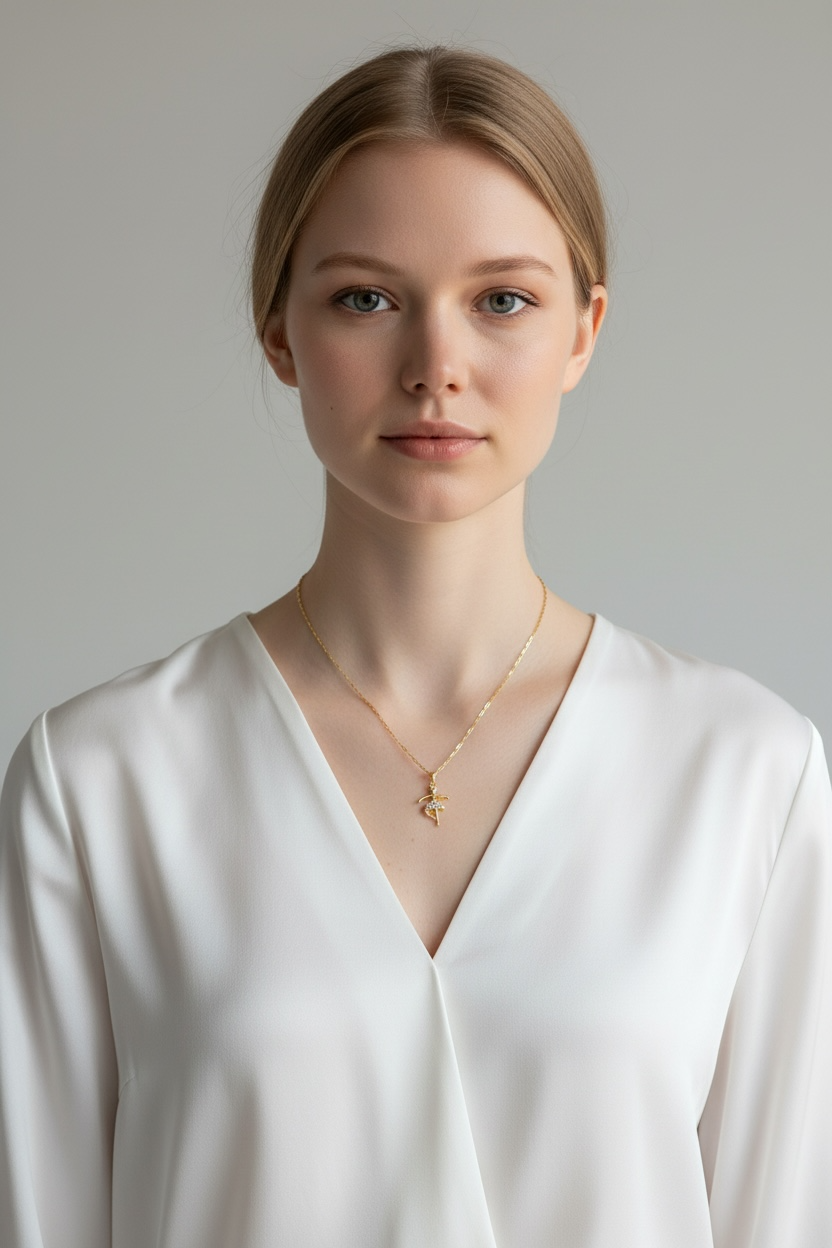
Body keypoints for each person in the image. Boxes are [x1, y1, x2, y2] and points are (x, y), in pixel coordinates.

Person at [1, 44, 830, 1248]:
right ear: (278, 332)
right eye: (365, 297)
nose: (435, 366)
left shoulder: (745, 775)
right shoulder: (98, 784)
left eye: (503, 299)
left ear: (582, 332)